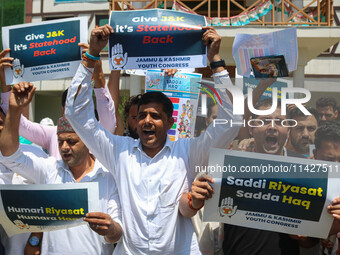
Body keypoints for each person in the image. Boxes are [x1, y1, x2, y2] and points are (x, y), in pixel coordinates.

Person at [64, 24, 249, 254]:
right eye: (142, 116)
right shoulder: (118, 151)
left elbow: (232, 118)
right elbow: (75, 113)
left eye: (155, 116)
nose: (147, 121)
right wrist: (91, 56)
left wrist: (215, 61)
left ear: (170, 123)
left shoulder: (188, 151)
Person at [0, 82, 122, 254]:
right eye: (60, 142)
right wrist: (13, 110)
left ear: (88, 142)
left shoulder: (107, 177)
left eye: (71, 142)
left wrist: (110, 229)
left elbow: (117, 233)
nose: (64, 147)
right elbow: (11, 156)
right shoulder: (50, 171)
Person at [0, 46, 116, 160]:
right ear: (63, 110)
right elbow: (19, 124)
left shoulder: (98, 133)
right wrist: (5, 79)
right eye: (61, 142)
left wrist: (98, 73)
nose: (65, 147)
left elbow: (108, 116)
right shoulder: (52, 134)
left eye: (81, 106)